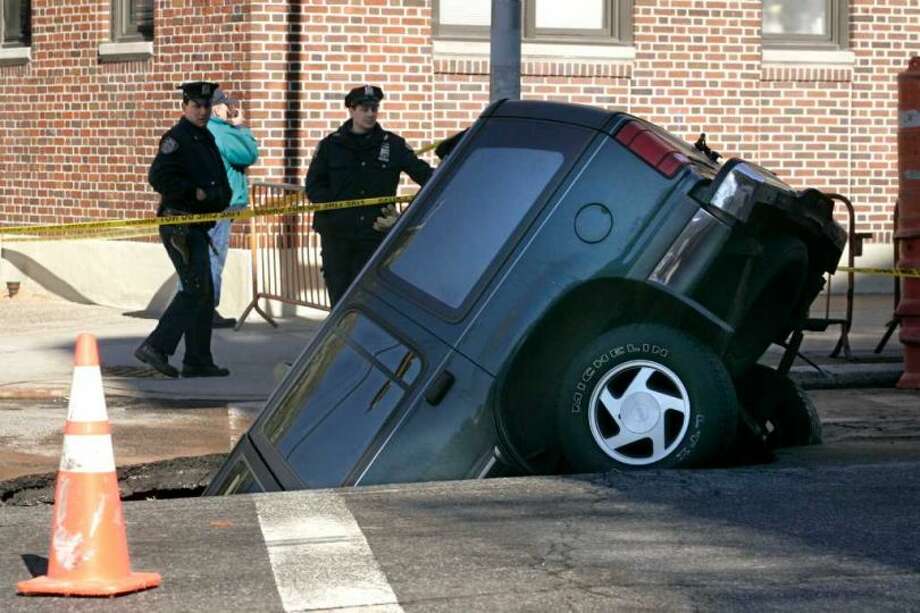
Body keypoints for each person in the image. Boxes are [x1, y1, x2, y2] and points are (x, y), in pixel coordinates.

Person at [135, 81, 233, 378]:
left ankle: (198, 359)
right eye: (196, 106)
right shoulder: (177, 139)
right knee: (195, 288)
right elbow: (159, 177)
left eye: (206, 106)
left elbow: (217, 178)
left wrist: (218, 197)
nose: (202, 111)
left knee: (204, 291)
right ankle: (157, 346)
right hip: (180, 224)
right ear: (185, 107)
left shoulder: (204, 138)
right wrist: (194, 193)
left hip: (198, 224)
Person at [305, 84, 434, 306]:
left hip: (375, 234)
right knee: (339, 296)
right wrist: (334, 209)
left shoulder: (393, 145)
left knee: (370, 298)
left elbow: (426, 176)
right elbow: (314, 186)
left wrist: (408, 216)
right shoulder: (331, 145)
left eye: (374, 109)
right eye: (364, 109)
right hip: (338, 236)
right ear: (352, 110)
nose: (370, 114)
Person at [205, 87, 260, 328]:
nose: (229, 108)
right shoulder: (221, 131)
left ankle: (196, 307)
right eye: (226, 104)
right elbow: (248, 155)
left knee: (201, 259)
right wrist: (239, 127)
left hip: (207, 204)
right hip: (221, 205)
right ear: (217, 107)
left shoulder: (200, 130)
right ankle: (207, 310)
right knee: (214, 258)